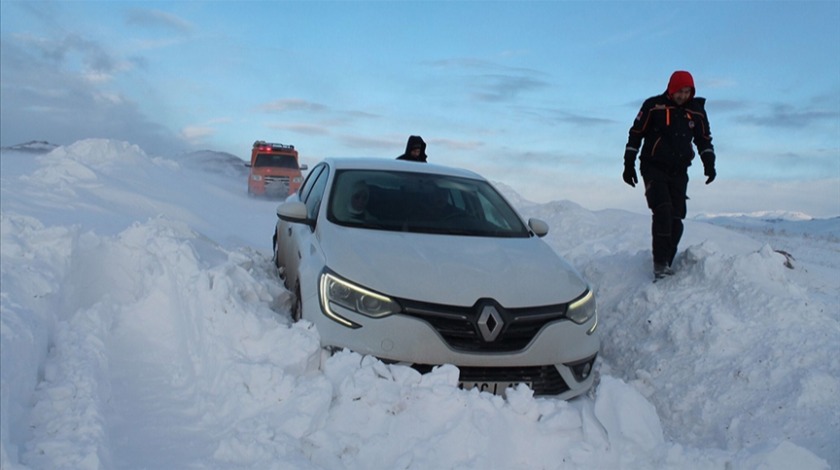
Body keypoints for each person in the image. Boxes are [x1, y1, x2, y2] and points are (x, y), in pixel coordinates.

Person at [622, 70, 717, 280]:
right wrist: (628, 163)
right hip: (653, 167)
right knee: (662, 210)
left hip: (679, 171)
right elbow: (636, 134)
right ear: (671, 89)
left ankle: (668, 261)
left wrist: (709, 163)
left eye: (687, 91)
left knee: (676, 217)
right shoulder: (653, 106)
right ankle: (660, 264)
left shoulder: (697, 112)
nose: (683, 96)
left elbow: (704, 140)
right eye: (680, 91)